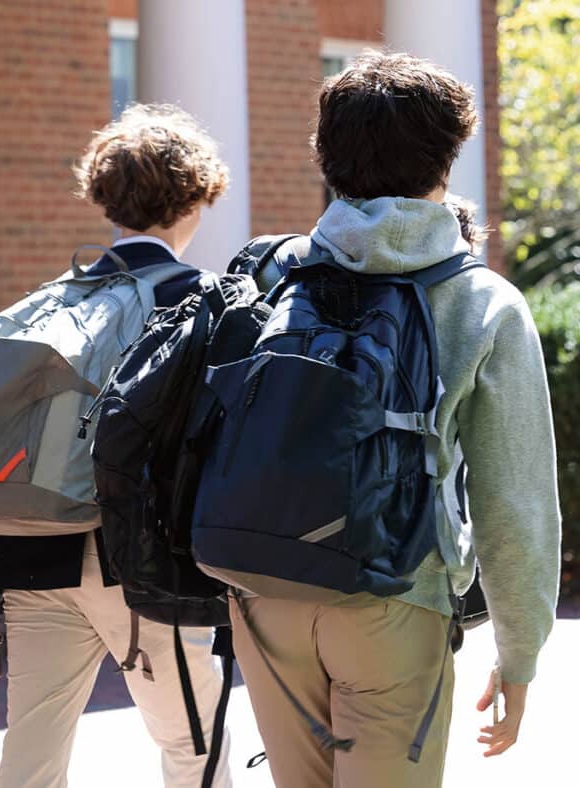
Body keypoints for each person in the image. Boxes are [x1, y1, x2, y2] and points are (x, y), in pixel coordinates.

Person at [229, 52, 561, 788]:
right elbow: (515, 501)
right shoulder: (482, 302)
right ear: (448, 157)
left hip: (263, 587)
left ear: (327, 156)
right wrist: (520, 655)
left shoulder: (268, 272)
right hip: (396, 593)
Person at [0, 103, 235, 788]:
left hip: (27, 553)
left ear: (104, 196)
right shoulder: (200, 300)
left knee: (29, 760)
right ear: (196, 196)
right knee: (193, 748)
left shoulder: (57, 295)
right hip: (138, 568)